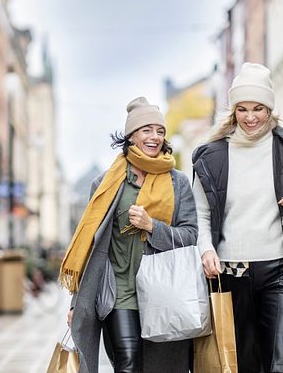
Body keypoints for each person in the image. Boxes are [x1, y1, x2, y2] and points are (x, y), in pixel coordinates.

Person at [192, 62, 283, 372]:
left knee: (280, 361)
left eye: (258, 108)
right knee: (245, 363)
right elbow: (201, 213)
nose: (250, 117)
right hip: (231, 273)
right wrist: (206, 249)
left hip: (281, 270)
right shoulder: (212, 156)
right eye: (243, 109)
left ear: (270, 110)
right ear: (233, 111)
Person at [62, 97, 198, 373]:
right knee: (127, 364)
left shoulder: (177, 182)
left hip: (164, 291)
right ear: (131, 136)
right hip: (119, 292)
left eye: (160, 131)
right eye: (146, 130)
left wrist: (152, 226)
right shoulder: (106, 184)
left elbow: (190, 235)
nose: (154, 137)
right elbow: (88, 245)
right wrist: (78, 302)